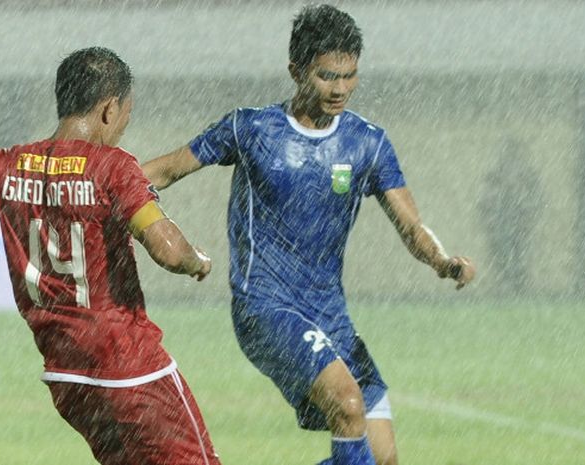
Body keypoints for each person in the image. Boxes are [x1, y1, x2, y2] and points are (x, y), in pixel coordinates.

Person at [142, 5, 475, 465]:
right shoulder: (251, 128)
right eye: (326, 76)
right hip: (265, 308)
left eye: (349, 76)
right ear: (296, 70)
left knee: (380, 459)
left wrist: (441, 261)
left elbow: (411, 225)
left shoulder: (368, 143)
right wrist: (103, 183)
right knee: (348, 404)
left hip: (330, 316)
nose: (340, 89)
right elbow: (165, 170)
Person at [0, 47, 221, 465]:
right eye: (125, 115)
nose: (122, 127)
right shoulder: (113, 167)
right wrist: (198, 261)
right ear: (108, 109)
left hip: (68, 378)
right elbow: (169, 251)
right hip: (129, 367)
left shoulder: (3, 166)